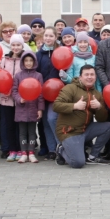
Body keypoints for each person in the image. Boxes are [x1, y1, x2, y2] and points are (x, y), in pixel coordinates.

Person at [53, 65, 110, 168]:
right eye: (86, 75)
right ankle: (61, 149)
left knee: (108, 126)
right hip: (69, 132)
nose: (89, 77)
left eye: (92, 75)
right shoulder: (70, 88)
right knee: (78, 163)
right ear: (80, 77)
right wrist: (74, 106)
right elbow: (56, 106)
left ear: (95, 77)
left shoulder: (97, 94)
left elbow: (102, 119)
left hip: (85, 130)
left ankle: (92, 156)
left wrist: (99, 107)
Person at [0, 34, 26, 161]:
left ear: (22, 46)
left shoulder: (24, 60)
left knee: (19, 125)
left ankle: (20, 149)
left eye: (18, 45)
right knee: (8, 125)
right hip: (6, 98)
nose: (16, 47)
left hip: (19, 98)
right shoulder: (4, 59)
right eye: (13, 45)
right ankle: (11, 149)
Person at [34, 28, 61, 157]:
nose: (48, 38)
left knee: (52, 119)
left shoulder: (60, 52)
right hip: (42, 93)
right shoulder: (38, 55)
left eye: (51, 36)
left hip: (57, 92)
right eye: (46, 36)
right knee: (45, 122)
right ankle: (51, 150)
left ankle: (60, 146)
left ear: (55, 37)